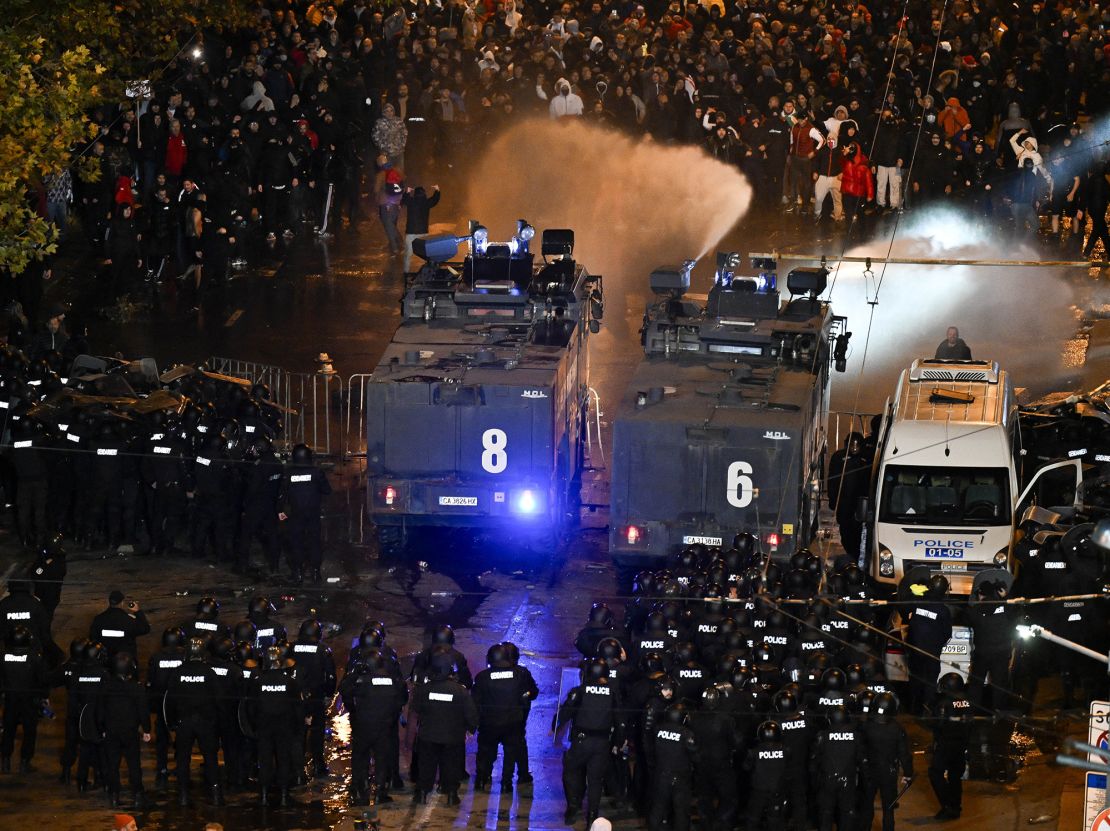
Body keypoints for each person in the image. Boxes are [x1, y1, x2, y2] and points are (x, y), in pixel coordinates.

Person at [555, 657, 622, 826]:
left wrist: (555, 724)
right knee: (595, 780)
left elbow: (565, 713)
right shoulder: (613, 693)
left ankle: (572, 808)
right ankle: (592, 815)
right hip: (602, 743)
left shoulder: (580, 690)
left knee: (571, 773)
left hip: (581, 741)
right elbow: (620, 719)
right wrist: (618, 742)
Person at [411, 645, 479, 805]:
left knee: (426, 766)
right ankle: (451, 795)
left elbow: (416, 709)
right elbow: (471, 714)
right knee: (451, 766)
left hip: (428, 736)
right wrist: (471, 729)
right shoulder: (460, 691)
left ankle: (421, 793)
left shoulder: (424, 690)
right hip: (452, 737)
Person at [472, 642, 539, 791]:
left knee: (485, 752)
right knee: (510, 753)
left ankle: (482, 779)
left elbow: (475, 702)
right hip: (513, 723)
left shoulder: (482, 677)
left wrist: (475, 722)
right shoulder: (521, 673)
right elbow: (533, 693)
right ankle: (506, 783)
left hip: (489, 723)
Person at [100, 652, 150, 808]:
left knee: (112, 764)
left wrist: (102, 728)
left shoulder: (106, 687)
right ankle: (138, 795)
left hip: (111, 732)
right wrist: (147, 729)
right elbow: (143, 711)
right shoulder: (136, 688)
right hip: (130, 732)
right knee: (134, 764)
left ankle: (114, 795)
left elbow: (100, 710)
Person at [859, 692, 913, 831]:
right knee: (888, 808)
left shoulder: (866, 727)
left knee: (867, 805)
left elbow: (860, 749)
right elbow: (904, 754)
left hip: (868, 771)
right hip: (888, 773)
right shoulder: (897, 728)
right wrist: (908, 773)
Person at [280, 443, 332, 584]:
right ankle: (316, 573)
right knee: (314, 543)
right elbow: (327, 490)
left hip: (295, 515)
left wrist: (280, 511)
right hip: (313, 514)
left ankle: (298, 574)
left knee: (296, 543)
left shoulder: (288, 473)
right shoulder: (317, 472)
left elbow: (282, 494)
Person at [0, 625, 46, 774]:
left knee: (9, 730)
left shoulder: (3, 656)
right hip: (29, 700)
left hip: (10, 699)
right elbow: (42, 680)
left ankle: (5, 761)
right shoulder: (34, 657)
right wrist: (44, 697)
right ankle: (25, 763)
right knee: (29, 731)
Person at [929, 673, 972, 820]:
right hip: (961, 744)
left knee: (935, 773)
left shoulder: (944, 703)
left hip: (946, 744)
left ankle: (948, 806)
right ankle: (956, 806)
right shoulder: (967, 701)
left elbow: (938, 724)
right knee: (955, 776)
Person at [826, 433, 869, 565]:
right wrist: (833, 499)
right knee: (845, 531)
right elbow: (832, 480)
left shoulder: (866, 458)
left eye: (857, 445)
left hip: (861, 504)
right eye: (851, 444)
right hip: (844, 504)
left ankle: (855, 556)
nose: (854, 448)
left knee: (858, 533)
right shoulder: (839, 457)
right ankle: (851, 554)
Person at [88, 590, 151, 661]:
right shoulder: (129, 620)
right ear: (122, 603)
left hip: (105, 662)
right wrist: (137, 611)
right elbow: (145, 628)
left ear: (109, 602)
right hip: (125, 662)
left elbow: (93, 639)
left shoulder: (98, 619)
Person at [401, 184, 441, 273]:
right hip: (423, 234)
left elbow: (404, 200)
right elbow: (435, 200)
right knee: (426, 255)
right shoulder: (426, 203)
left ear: (415, 194)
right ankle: (429, 273)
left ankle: (405, 274)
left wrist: (407, 192)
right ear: (424, 194)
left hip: (410, 233)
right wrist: (437, 191)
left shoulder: (411, 202)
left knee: (408, 255)